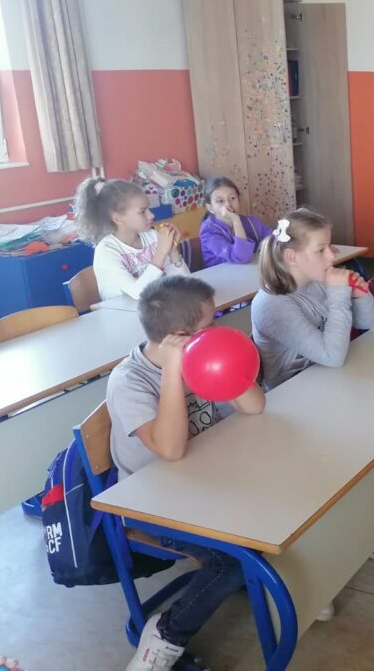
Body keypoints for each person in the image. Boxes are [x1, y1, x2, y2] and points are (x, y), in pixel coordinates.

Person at [107, 276, 265, 669]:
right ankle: (165, 635)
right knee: (229, 562)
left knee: (280, 501)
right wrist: (173, 372)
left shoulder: (204, 357)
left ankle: (273, 580)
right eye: (212, 324)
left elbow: (254, 406)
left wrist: (221, 360)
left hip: (206, 482)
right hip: (153, 505)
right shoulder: (129, 381)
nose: (220, 328)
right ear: (179, 336)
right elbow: (172, 450)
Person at [250, 209, 374, 569]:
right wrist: (339, 297)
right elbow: (332, 355)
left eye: (330, 246)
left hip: (327, 386)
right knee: (354, 445)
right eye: (321, 249)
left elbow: (368, 323)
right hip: (294, 405)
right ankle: (357, 528)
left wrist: (357, 293)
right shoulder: (272, 305)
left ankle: (371, 511)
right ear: (292, 257)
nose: (332, 255)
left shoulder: (317, 281)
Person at [74, 177, 189, 300]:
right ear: (118, 218)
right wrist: (161, 252)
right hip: (124, 311)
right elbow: (138, 294)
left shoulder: (152, 236)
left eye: (149, 209)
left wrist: (173, 251)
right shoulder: (106, 252)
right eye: (142, 211)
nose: (151, 215)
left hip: (157, 306)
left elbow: (186, 284)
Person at [199, 176, 273, 267]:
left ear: (239, 200)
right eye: (220, 201)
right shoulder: (208, 231)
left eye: (232, 198)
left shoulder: (251, 221)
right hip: (222, 274)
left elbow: (274, 240)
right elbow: (242, 257)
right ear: (211, 208)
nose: (228, 204)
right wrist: (235, 220)